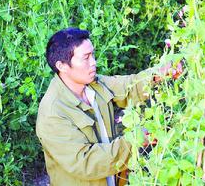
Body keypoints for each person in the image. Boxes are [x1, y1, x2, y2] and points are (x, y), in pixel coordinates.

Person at [36, 28, 182, 186]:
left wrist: (158, 74)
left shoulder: (93, 84)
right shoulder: (53, 113)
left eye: (92, 55)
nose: (93, 63)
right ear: (62, 66)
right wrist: (135, 139)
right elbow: (86, 162)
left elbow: (128, 87)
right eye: (86, 58)